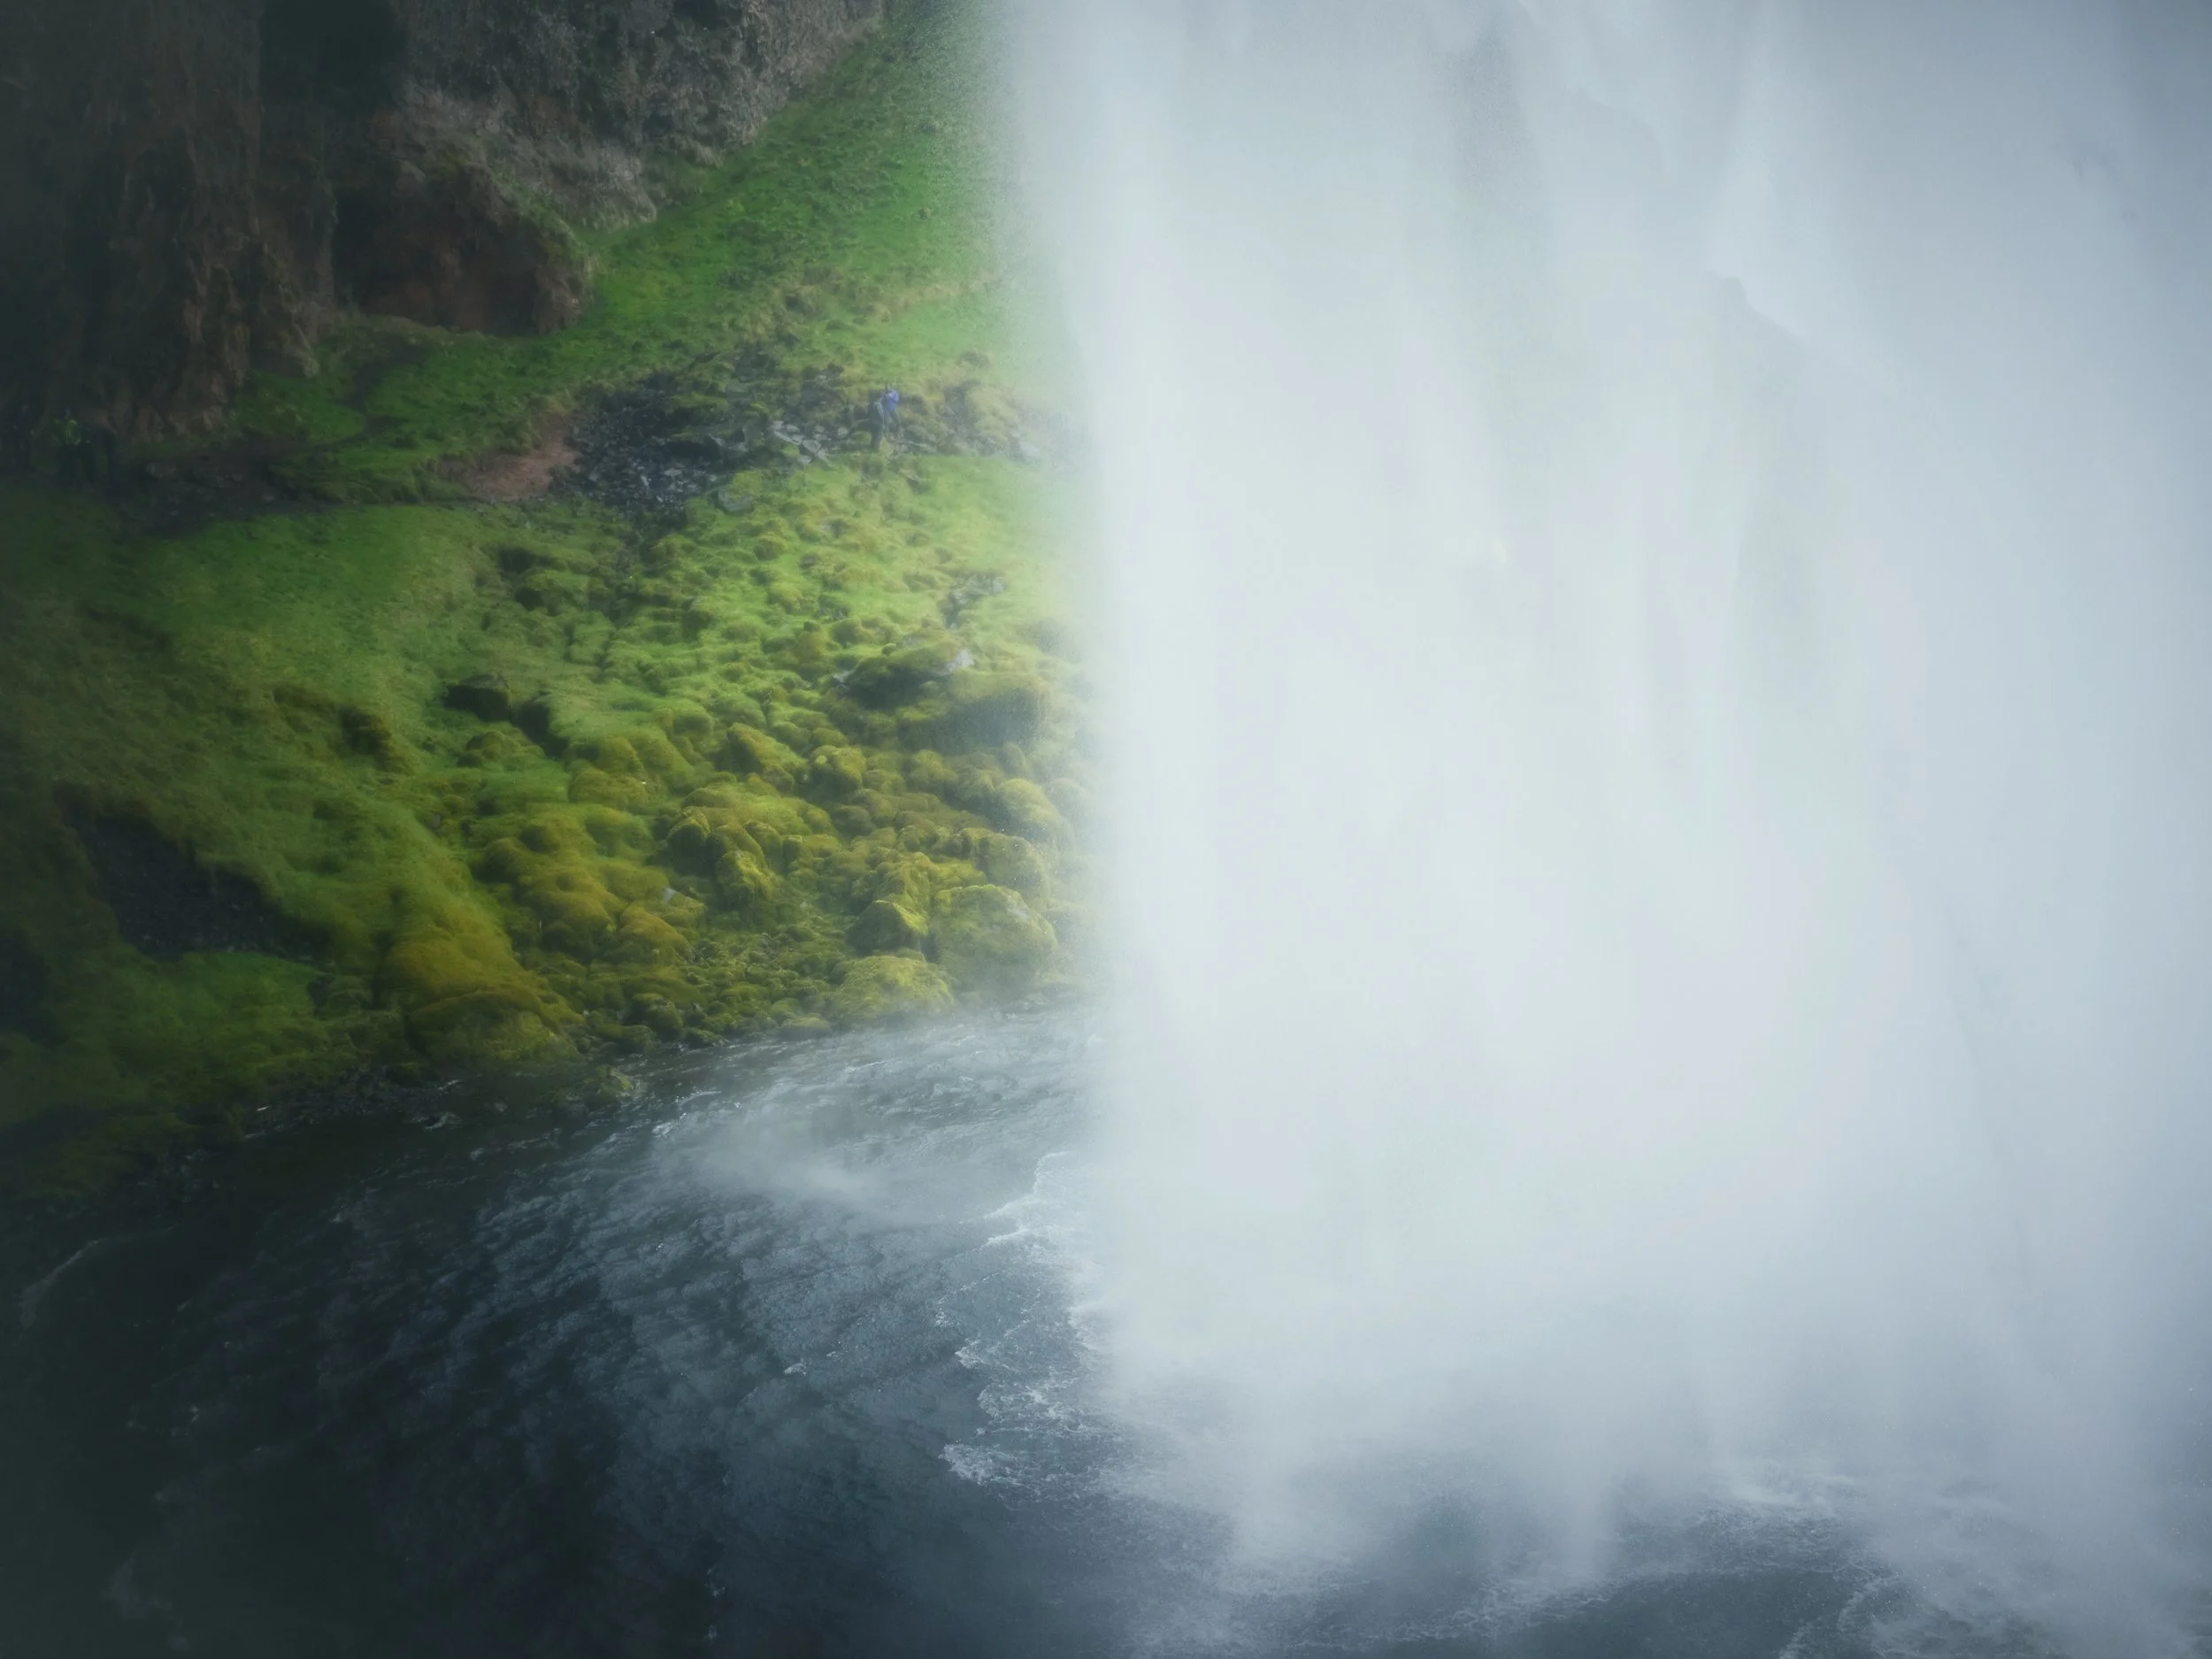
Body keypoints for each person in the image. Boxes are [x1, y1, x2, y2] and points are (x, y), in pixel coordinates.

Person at [871, 386, 902, 450]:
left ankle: (897, 435)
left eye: (888, 387)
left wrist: (889, 397)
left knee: (898, 422)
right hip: (886, 410)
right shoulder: (883, 394)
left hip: (893, 409)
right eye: (886, 387)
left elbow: (896, 400)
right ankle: (887, 438)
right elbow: (880, 401)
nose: (887, 388)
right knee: (886, 423)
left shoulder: (894, 393)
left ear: (891, 387)